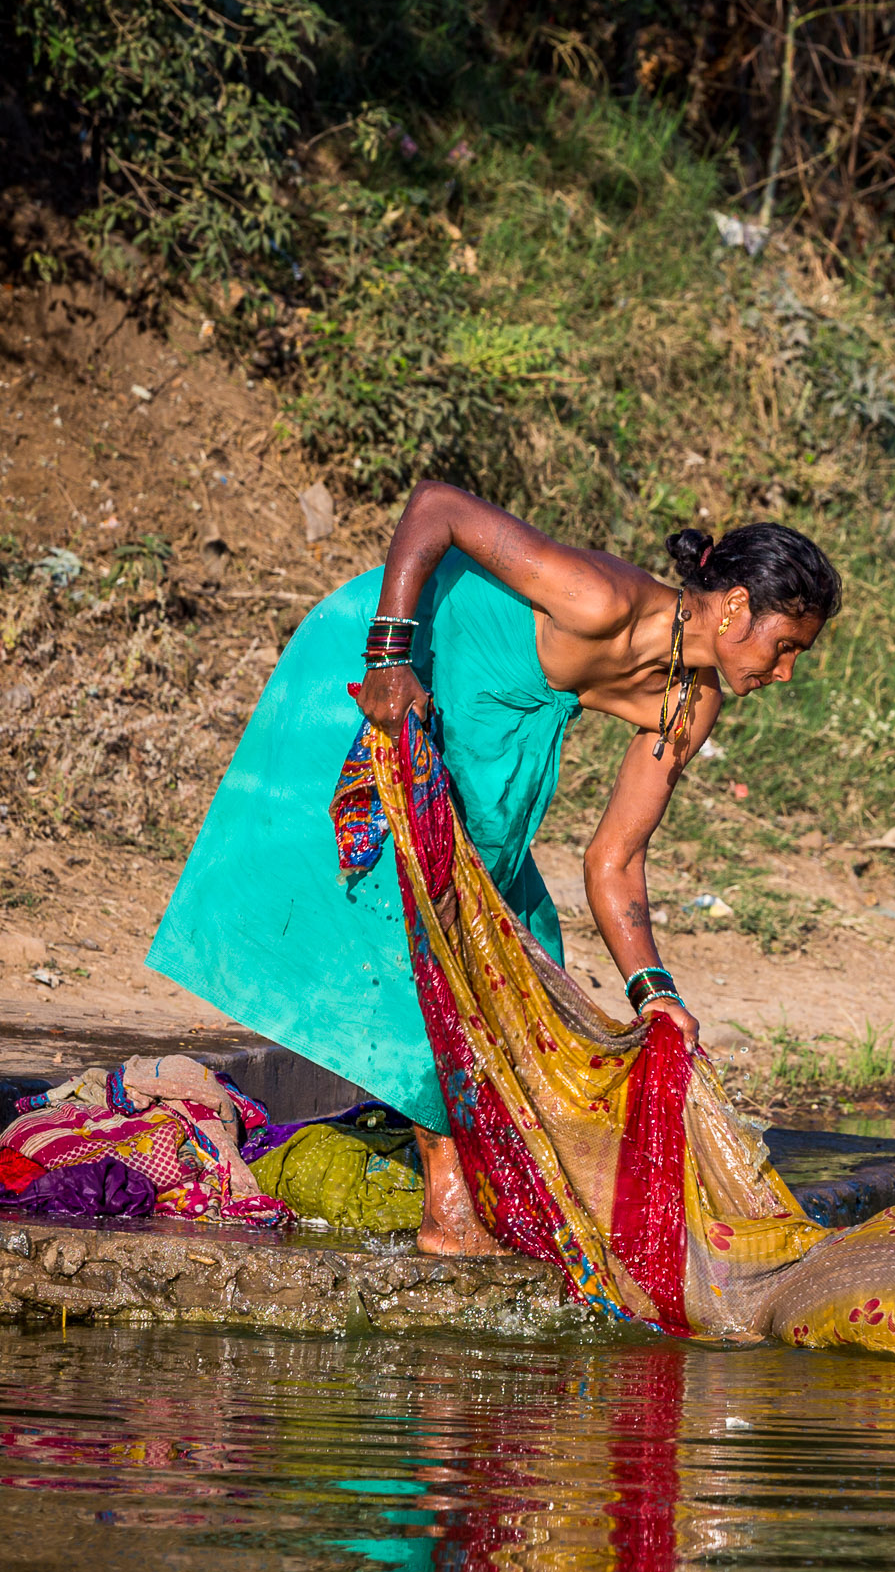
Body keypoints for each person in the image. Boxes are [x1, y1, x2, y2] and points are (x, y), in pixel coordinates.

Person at [147, 480, 841, 1255]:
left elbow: (615, 858)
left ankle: (465, 1167)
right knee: (423, 934)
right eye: (787, 647)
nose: (784, 674)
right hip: (397, 662)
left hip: (487, 736)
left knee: (529, 943)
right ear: (736, 607)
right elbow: (436, 506)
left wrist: (656, 995)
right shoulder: (596, 597)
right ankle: (449, 1208)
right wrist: (388, 654)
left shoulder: (690, 703)